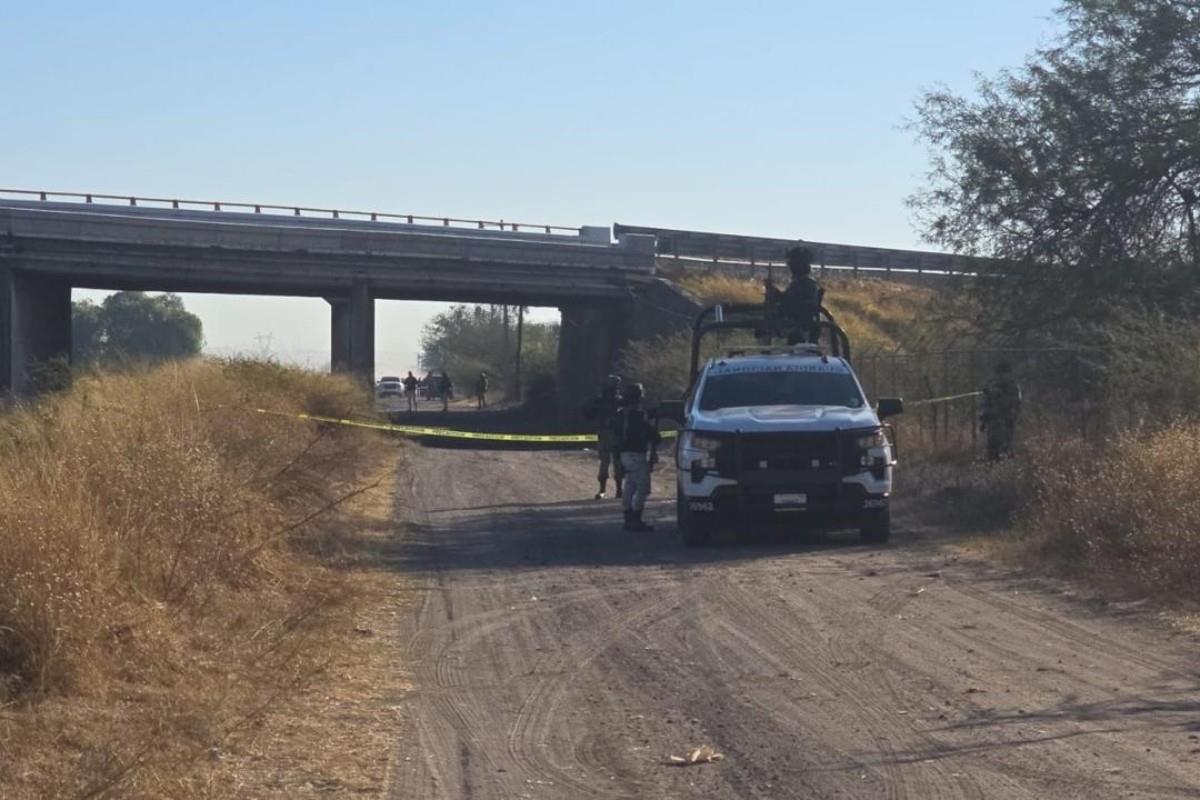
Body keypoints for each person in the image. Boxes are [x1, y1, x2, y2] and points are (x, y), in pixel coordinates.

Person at [617, 382, 661, 532]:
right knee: (643, 488)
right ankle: (635, 519)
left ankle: (629, 518)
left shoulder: (623, 414)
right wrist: (654, 435)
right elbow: (648, 434)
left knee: (630, 486)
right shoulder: (636, 415)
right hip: (636, 454)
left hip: (626, 455)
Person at [765, 245, 824, 344]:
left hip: (799, 329)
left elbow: (793, 305)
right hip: (797, 329)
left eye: (792, 263)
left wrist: (776, 295)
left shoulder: (806, 284)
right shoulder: (801, 283)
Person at [583, 375, 625, 500]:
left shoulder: (620, 401)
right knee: (605, 462)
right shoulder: (600, 402)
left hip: (616, 434)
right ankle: (603, 489)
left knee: (616, 463)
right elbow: (588, 414)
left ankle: (618, 489)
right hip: (605, 433)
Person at [980, 361, 1022, 461]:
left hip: (1005, 418)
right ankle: (994, 460)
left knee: (1005, 442)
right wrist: (984, 417)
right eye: (999, 374)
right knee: (993, 443)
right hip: (994, 419)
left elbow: (1014, 402)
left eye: (1003, 373)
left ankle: (1003, 459)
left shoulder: (1012, 386)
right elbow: (986, 403)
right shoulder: (993, 385)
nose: (1001, 376)